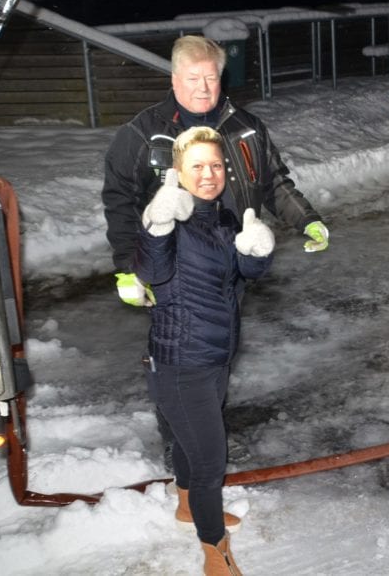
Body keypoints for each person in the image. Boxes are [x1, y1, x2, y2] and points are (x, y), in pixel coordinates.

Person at [103, 34, 328, 468]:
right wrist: (125, 268)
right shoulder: (144, 132)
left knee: (218, 350)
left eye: (211, 77)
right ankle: (178, 439)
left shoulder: (245, 127)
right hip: (172, 266)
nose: (203, 88)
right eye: (193, 78)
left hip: (230, 260)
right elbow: (120, 200)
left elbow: (274, 181)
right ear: (174, 78)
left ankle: (206, 426)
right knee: (173, 354)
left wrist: (307, 218)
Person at [138, 126, 274, 576]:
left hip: (216, 355)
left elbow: (238, 277)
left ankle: (185, 507)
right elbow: (154, 271)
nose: (209, 174)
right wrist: (157, 226)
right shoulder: (172, 217)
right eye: (197, 166)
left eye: (216, 165)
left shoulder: (223, 218)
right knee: (210, 459)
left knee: (186, 441)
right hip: (181, 361)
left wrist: (255, 255)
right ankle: (215, 552)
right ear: (179, 172)